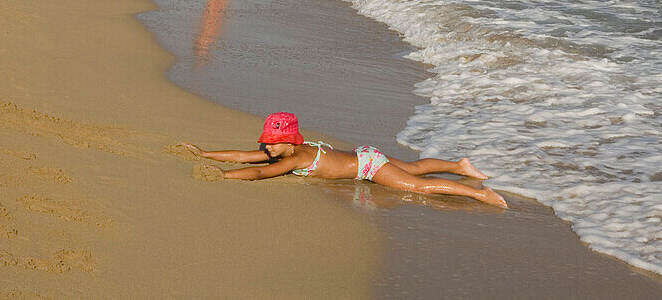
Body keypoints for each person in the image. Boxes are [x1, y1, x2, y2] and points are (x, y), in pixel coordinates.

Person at [179, 112, 507, 207]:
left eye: (273, 144)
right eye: (266, 141)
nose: (267, 148)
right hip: (364, 155)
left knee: (418, 186)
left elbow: (262, 174)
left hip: (368, 167)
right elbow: (241, 155)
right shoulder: (289, 149)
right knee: (414, 166)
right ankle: (458, 166)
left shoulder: (291, 159)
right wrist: (205, 152)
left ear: (290, 145)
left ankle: (480, 194)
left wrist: (224, 176)